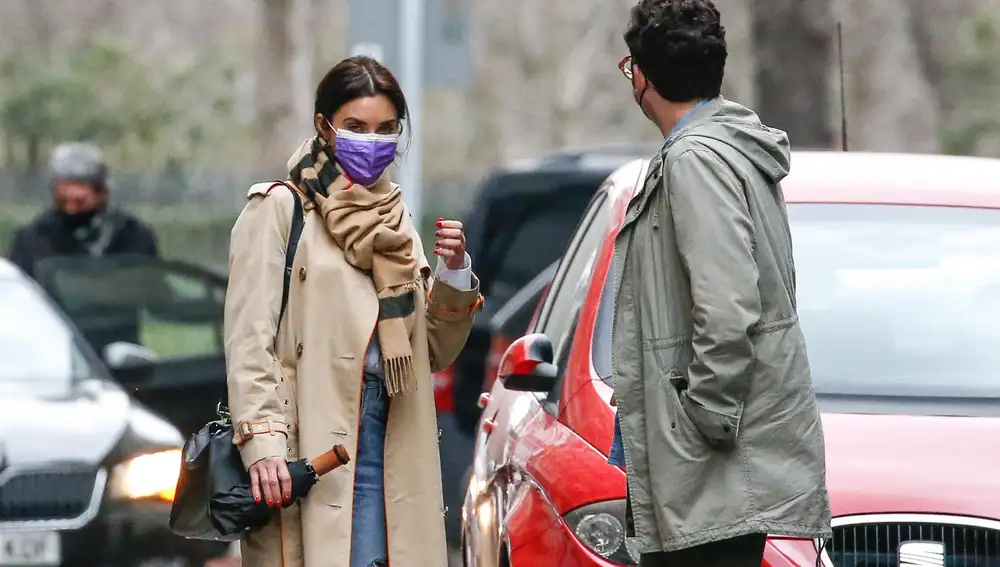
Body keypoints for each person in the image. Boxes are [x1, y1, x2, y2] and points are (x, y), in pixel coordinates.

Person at [225, 56, 482, 567]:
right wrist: (263, 444)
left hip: (394, 440)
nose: (373, 142)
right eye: (356, 128)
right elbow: (248, 342)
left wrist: (454, 273)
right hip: (314, 447)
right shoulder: (280, 208)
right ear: (325, 126)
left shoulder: (396, 220)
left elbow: (428, 350)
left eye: (386, 129)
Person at [608, 1, 832, 566]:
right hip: (714, 474)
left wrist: (703, 415)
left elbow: (728, 306)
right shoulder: (725, 147)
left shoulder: (696, 160)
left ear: (641, 76)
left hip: (710, 473)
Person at [7, 142, 158, 279]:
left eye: (80, 202)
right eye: (62, 201)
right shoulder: (32, 237)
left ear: (102, 195)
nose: (70, 209)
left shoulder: (132, 236)